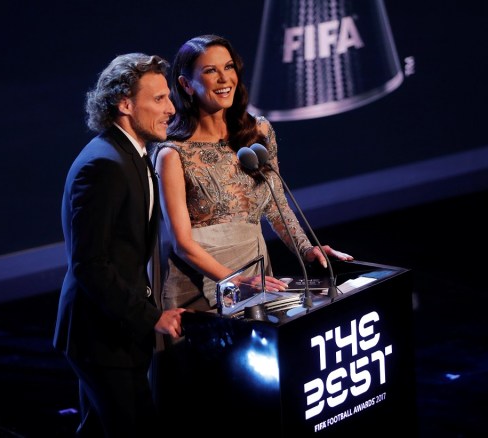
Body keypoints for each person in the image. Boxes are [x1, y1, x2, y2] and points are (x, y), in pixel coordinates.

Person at [152, 34, 354, 313]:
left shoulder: (258, 132)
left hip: (256, 274)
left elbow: (275, 205)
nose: (224, 79)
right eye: (211, 71)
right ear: (186, 84)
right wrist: (237, 281)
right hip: (198, 289)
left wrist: (308, 250)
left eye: (229, 67)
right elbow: (183, 243)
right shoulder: (172, 154)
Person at [53, 52, 186, 437]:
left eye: (168, 98)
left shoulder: (134, 153)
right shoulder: (104, 166)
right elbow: (90, 265)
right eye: (158, 99)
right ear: (125, 104)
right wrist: (151, 317)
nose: (171, 110)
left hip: (116, 332)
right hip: (100, 337)